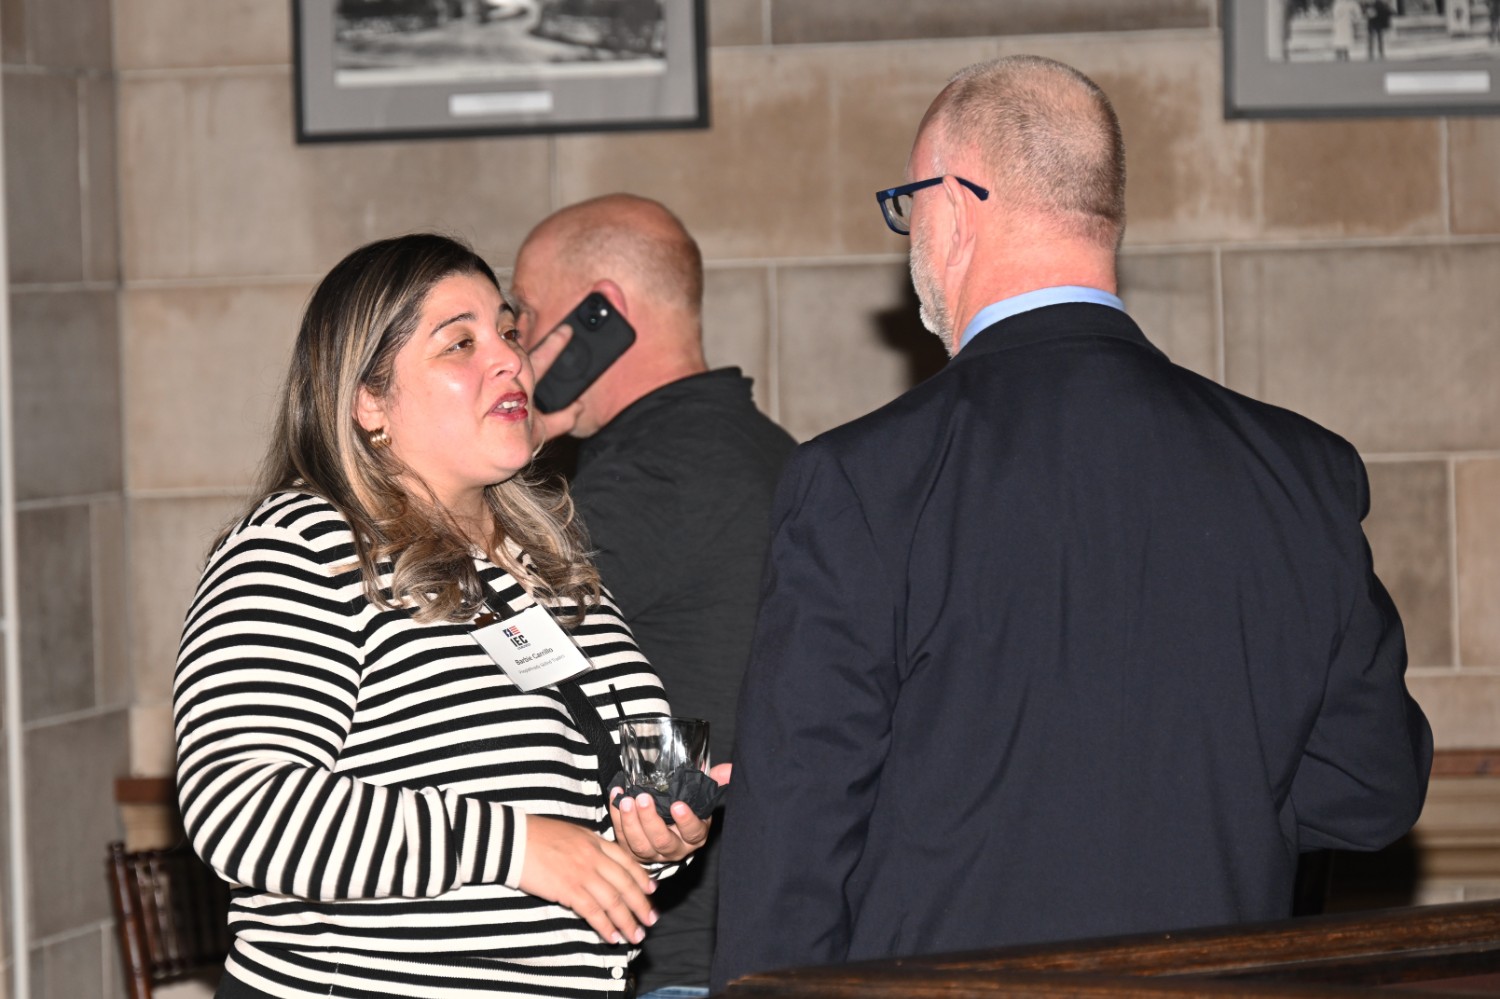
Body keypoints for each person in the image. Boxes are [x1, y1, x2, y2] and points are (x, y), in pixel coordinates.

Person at [711, 55, 1432, 989]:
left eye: (907, 206)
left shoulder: (861, 483)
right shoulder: (1298, 471)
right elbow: (1371, 789)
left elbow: (791, 866)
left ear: (955, 207)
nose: (910, 237)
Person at [174, 233, 724, 999]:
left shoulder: (552, 565)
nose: (510, 361)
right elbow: (243, 807)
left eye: (508, 332)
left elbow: (601, 809)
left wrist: (659, 830)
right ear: (369, 400)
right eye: (460, 343)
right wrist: (514, 845)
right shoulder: (304, 546)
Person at [513, 194, 797, 998]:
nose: (514, 350)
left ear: (600, 313)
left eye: (522, 315)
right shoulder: (768, 450)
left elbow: (462, 648)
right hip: (749, 941)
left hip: (674, 961)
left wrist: (502, 441)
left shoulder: (649, 480)